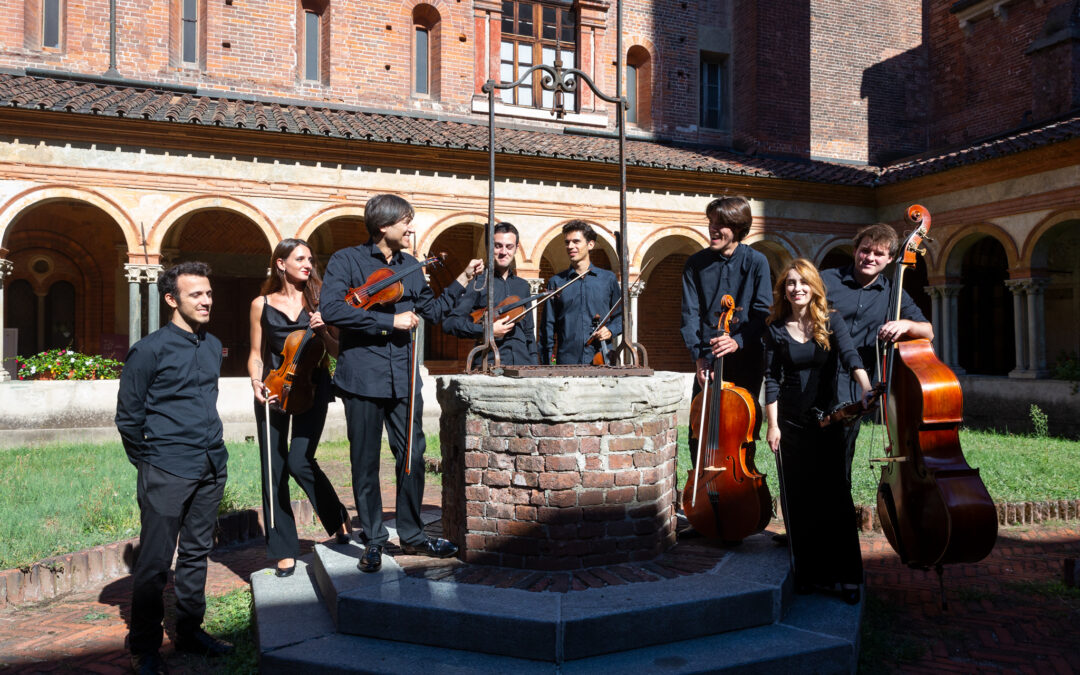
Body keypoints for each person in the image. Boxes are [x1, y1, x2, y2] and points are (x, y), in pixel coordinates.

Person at [319, 194, 483, 573]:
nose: (412, 228)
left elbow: (434, 311)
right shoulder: (347, 260)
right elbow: (333, 309)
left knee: (412, 455)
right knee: (364, 462)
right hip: (362, 376)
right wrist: (388, 322)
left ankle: (411, 535)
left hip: (404, 377)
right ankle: (374, 540)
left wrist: (462, 279)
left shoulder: (411, 266)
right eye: (406, 221)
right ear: (383, 226)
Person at [115, 261, 234, 674]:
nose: (206, 301)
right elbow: (128, 418)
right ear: (171, 299)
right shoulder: (149, 350)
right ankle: (144, 646)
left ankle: (189, 631)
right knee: (154, 562)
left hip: (210, 465)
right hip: (166, 468)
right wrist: (151, 463)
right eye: (195, 294)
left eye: (208, 293)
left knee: (197, 554)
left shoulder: (212, 343)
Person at [763, 258, 871, 605]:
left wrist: (866, 388)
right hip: (791, 424)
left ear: (814, 288)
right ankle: (808, 573)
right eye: (790, 283)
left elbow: (852, 356)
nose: (797, 288)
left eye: (803, 282)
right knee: (799, 498)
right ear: (784, 290)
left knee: (835, 495)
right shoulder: (775, 328)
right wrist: (772, 425)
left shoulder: (831, 320)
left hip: (826, 421)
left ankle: (847, 576)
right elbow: (771, 379)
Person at [247, 239, 352, 579]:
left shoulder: (321, 302)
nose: (308, 264)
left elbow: (336, 353)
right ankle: (283, 549)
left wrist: (324, 331)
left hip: (314, 385)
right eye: (300, 258)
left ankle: (336, 517)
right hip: (274, 387)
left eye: (310, 259)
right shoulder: (260, 304)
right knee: (274, 467)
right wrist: (255, 382)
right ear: (281, 263)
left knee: (299, 459)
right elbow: (256, 354)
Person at [821, 223, 933, 484]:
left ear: (890, 259)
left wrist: (905, 324)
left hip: (855, 384)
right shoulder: (826, 280)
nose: (870, 257)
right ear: (855, 250)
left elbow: (928, 331)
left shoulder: (893, 293)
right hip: (817, 375)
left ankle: (838, 518)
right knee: (810, 454)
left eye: (879, 254)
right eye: (865, 250)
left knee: (841, 459)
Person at [681, 196, 772, 457]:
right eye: (711, 222)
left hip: (745, 360)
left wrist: (737, 341)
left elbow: (762, 314)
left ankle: (739, 492)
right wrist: (700, 360)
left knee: (743, 435)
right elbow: (689, 316)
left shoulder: (757, 262)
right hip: (708, 361)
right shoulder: (694, 264)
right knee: (699, 437)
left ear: (738, 228)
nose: (712, 228)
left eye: (720, 223)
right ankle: (703, 493)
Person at [442, 222, 538, 368]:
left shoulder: (523, 286)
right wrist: (487, 331)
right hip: (489, 363)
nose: (503, 252)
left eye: (509, 246)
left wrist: (534, 366)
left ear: (516, 248)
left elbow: (529, 332)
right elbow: (450, 324)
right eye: (498, 246)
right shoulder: (478, 283)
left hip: (522, 364)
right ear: (490, 247)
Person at [540, 220, 621, 365]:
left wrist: (610, 330)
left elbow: (622, 317)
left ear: (590, 244)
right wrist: (547, 365)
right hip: (567, 362)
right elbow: (548, 328)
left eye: (576, 241)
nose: (570, 246)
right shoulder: (556, 282)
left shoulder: (608, 279)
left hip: (601, 360)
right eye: (567, 242)